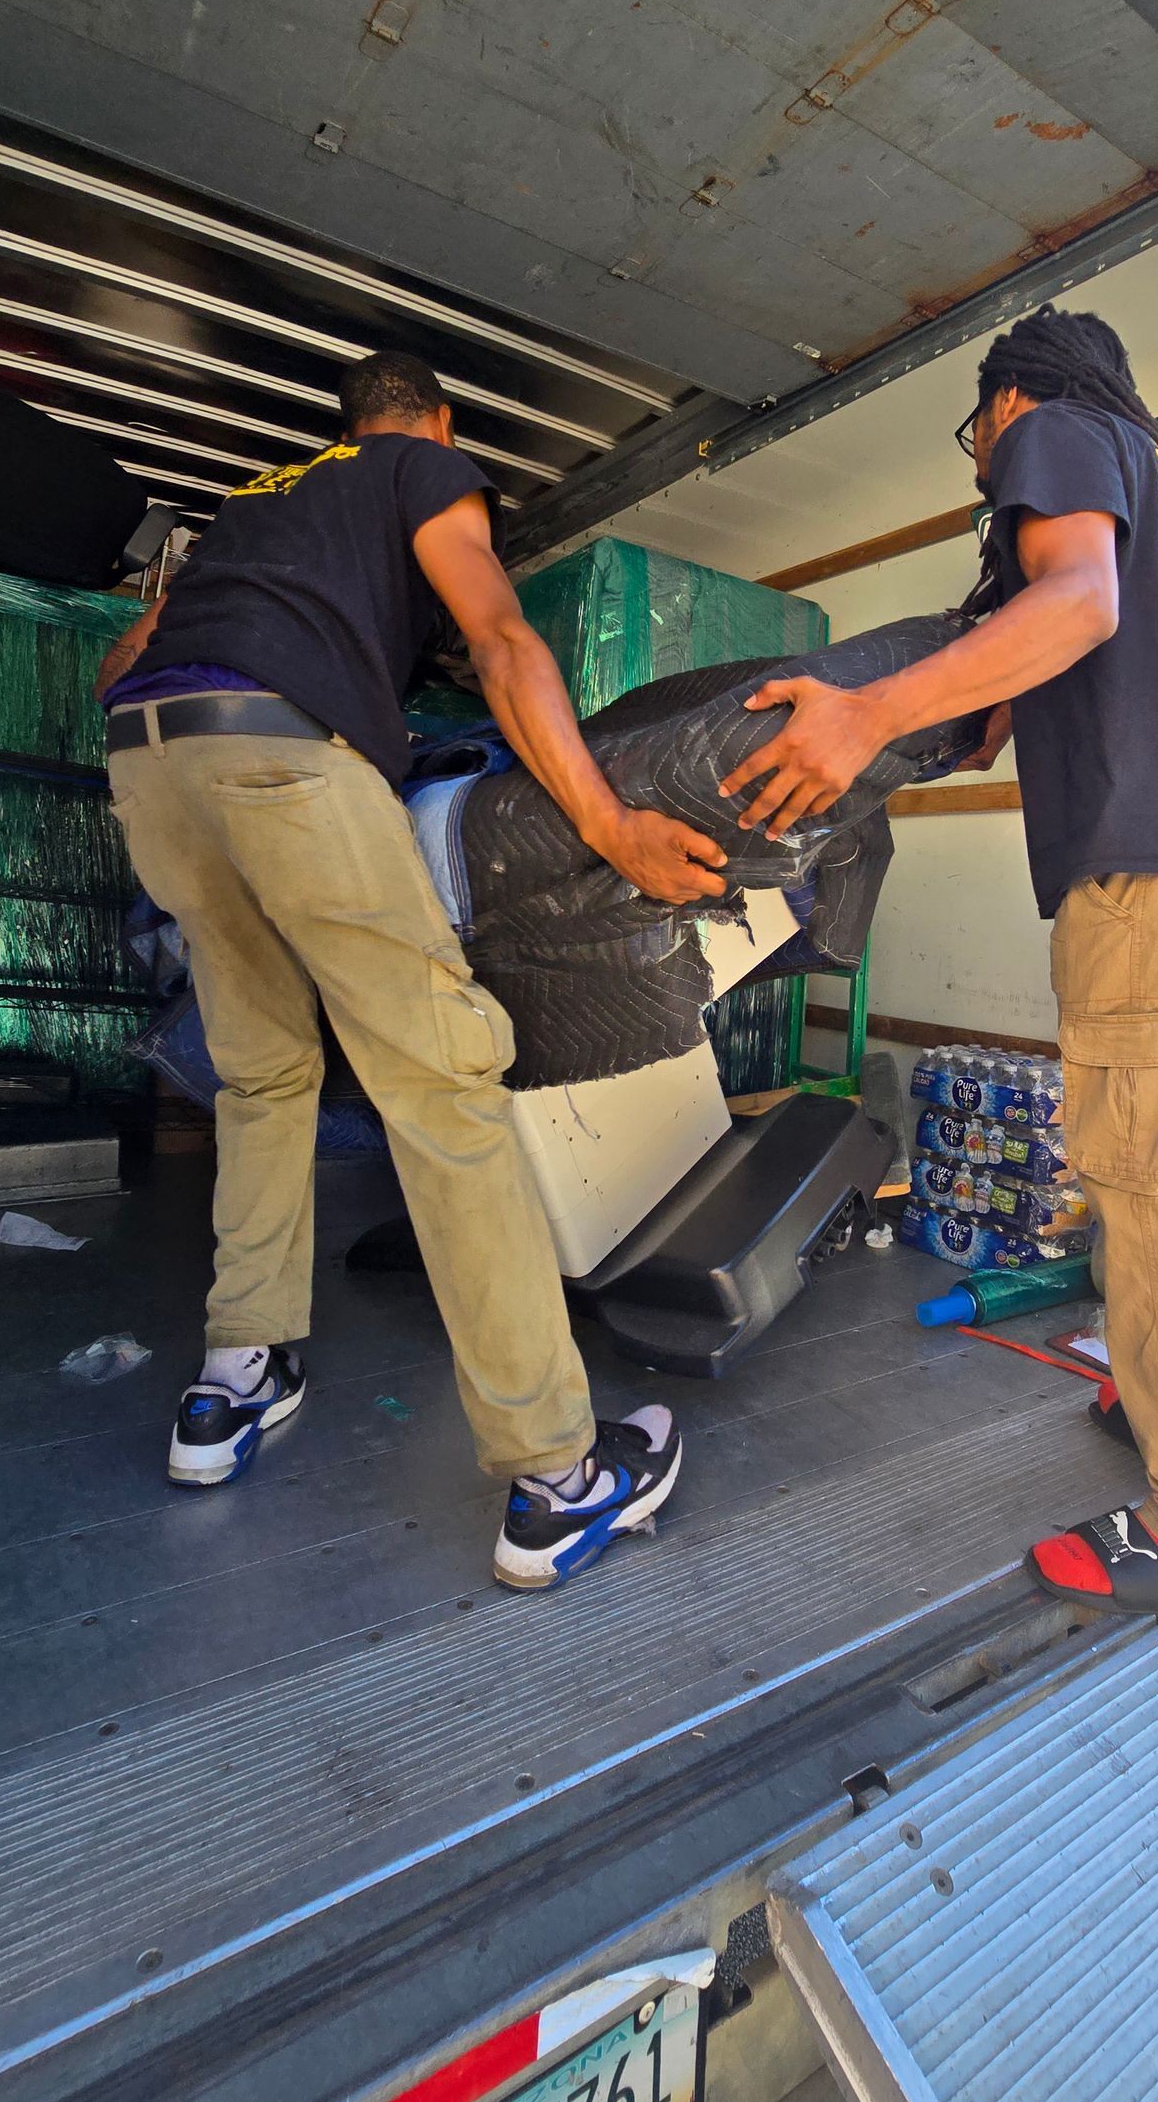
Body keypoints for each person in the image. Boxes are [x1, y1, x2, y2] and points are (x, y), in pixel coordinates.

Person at [95, 349, 729, 1588]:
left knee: (264, 1071)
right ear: (434, 423)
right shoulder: (423, 469)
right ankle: (559, 1477)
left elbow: (124, 666)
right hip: (284, 758)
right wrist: (608, 824)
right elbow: (496, 634)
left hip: (153, 764)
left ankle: (234, 1383)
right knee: (444, 1087)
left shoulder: (257, 500)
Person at [718, 307, 1158, 1619]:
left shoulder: (1052, 430)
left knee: (1143, 1169)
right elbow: (997, 714)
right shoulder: (1149, 474)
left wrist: (861, 712)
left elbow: (1078, 607)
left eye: (977, 428)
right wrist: (911, 719)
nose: (984, 455)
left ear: (1004, 402)